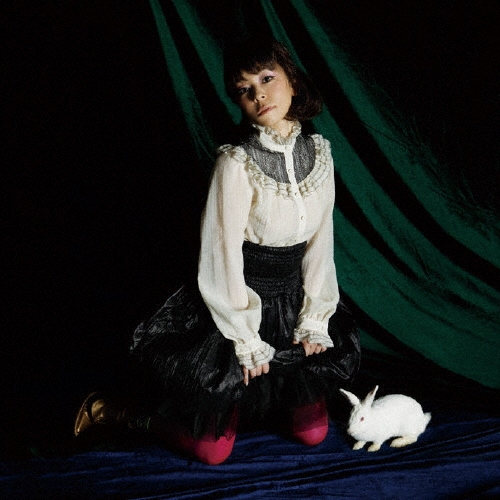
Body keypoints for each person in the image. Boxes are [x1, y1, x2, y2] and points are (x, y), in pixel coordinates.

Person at [74, 37, 360, 465]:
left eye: (267, 79)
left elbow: (321, 243)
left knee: (314, 433)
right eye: (245, 89)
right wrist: (245, 340)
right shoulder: (236, 163)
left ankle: (266, 399)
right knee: (212, 451)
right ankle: (117, 412)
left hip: (291, 301)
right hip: (237, 301)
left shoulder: (320, 153)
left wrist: (315, 319)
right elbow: (220, 255)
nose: (259, 94)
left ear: (292, 81)